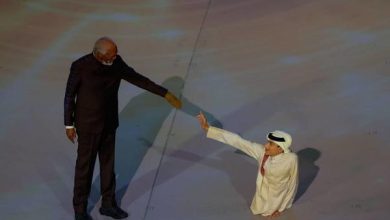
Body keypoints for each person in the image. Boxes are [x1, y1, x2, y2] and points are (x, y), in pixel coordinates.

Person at [64, 37, 182, 220]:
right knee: (84, 169)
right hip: (88, 126)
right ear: (99, 55)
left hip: (109, 124)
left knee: (108, 166)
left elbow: (138, 79)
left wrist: (164, 93)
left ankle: (108, 205)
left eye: (116, 52)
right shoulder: (80, 66)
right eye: (111, 55)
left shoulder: (116, 63)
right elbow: (69, 96)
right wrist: (69, 124)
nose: (115, 56)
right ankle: (80, 210)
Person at [197, 112, 298, 218]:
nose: (265, 145)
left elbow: (293, 183)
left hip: (279, 195)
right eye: (267, 142)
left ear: (280, 148)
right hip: (262, 193)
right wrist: (208, 129)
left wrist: (283, 206)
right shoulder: (262, 152)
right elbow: (237, 141)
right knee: (258, 210)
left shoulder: (291, 159)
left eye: (270, 144)